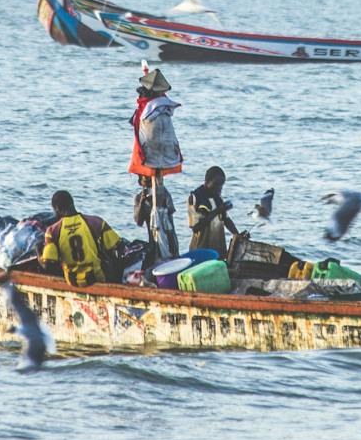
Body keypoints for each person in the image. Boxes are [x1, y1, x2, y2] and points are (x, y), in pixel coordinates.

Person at [128, 66, 182, 262]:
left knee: (159, 226)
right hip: (158, 158)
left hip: (155, 159)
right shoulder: (157, 110)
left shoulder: (149, 110)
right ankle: (165, 255)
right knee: (160, 225)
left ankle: (163, 255)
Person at [39, 190, 122, 286]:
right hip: (96, 278)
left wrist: (38, 251)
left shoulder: (52, 231)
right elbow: (118, 246)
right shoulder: (96, 222)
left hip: (72, 281)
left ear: (57, 209)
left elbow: (47, 266)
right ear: (72, 203)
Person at [188, 166, 241, 257]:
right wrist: (217, 211)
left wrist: (238, 235)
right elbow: (196, 227)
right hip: (201, 250)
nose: (219, 188)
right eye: (216, 184)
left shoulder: (218, 199)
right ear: (207, 181)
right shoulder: (195, 198)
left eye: (221, 185)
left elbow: (226, 220)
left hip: (218, 249)